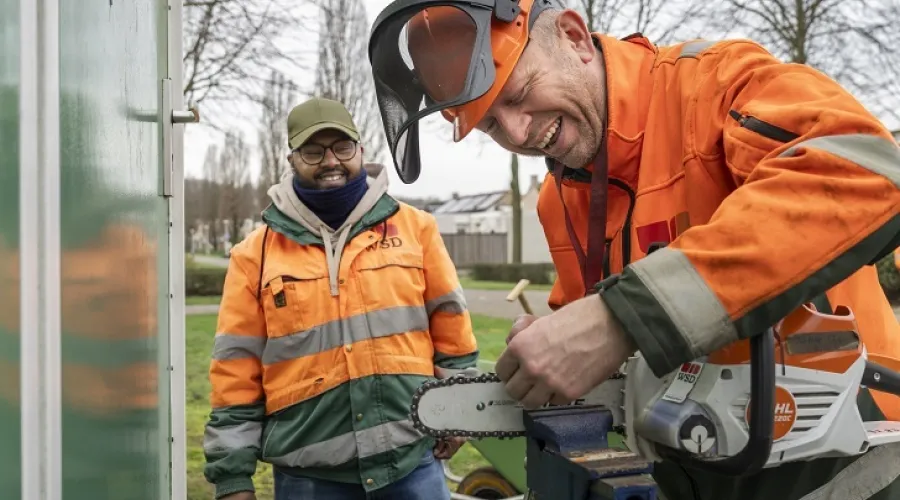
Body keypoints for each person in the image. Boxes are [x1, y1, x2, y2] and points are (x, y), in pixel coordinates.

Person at [367, 1, 900, 499]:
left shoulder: (711, 86)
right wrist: (559, 343)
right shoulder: (560, 197)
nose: (518, 131)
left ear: (573, 37)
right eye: (488, 123)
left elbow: (862, 168)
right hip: (697, 463)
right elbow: (592, 337)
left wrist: (624, 316)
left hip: (848, 458)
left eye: (518, 92)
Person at [202, 97, 477, 500]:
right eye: (313, 151)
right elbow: (234, 372)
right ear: (292, 159)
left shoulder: (417, 229)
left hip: (411, 464)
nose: (330, 161)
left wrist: (458, 414)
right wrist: (232, 479)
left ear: (360, 150)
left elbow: (452, 332)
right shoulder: (254, 256)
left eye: (341, 147)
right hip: (309, 479)